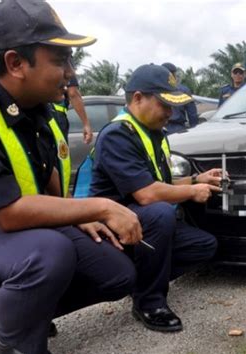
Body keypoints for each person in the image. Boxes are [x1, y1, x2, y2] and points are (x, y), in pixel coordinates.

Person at [0, 1, 143, 353]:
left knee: (116, 272)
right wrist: (100, 207)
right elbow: (7, 212)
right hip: (3, 224)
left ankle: (17, 309)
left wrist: (77, 214)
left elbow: (45, 182)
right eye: (60, 61)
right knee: (50, 252)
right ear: (15, 63)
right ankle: (16, 344)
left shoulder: (37, 111)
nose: (70, 72)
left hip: (10, 232)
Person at [90, 64, 221, 332]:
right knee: (161, 213)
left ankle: (140, 280)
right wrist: (191, 191)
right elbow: (148, 194)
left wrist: (198, 179)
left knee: (204, 246)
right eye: (164, 105)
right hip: (113, 226)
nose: (170, 113)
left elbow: (160, 184)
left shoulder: (155, 134)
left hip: (143, 222)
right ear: (138, 98)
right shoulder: (118, 135)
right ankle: (149, 301)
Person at [53, 69, 93, 144]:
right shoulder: (63, 59)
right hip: (56, 117)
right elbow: (73, 93)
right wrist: (86, 124)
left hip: (32, 113)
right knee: (59, 153)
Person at [161, 62, 198, 135]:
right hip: (179, 130)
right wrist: (194, 131)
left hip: (160, 130)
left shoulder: (155, 90)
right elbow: (192, 115)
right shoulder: (184, 90)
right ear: (174, 74)